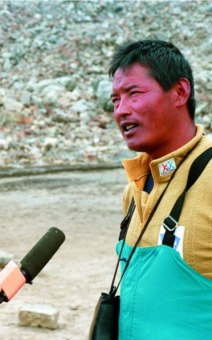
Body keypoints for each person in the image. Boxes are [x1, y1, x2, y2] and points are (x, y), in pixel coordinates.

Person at [109, 39, 212, 338]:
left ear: (180, 92)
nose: (121, 111)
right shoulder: (134, 190)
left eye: (133, 94)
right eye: (115, 100)